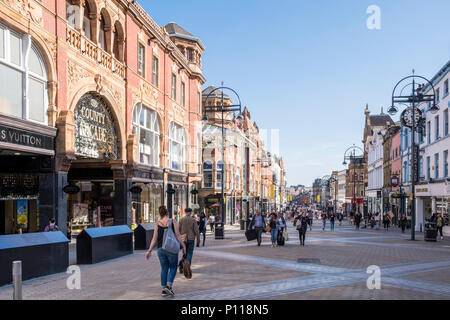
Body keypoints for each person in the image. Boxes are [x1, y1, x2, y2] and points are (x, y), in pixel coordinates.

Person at [146, 206, 186, 297]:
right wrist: (183, 246)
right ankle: (169, 286)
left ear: (160, 213)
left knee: (164, 268)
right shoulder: (172, 221)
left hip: (160, 250)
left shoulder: (157, 223)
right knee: (173, 267)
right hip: (171, 249)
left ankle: (164, 289)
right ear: (167, 212)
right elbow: (178, 235)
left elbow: (154, 239)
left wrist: (149, 250)